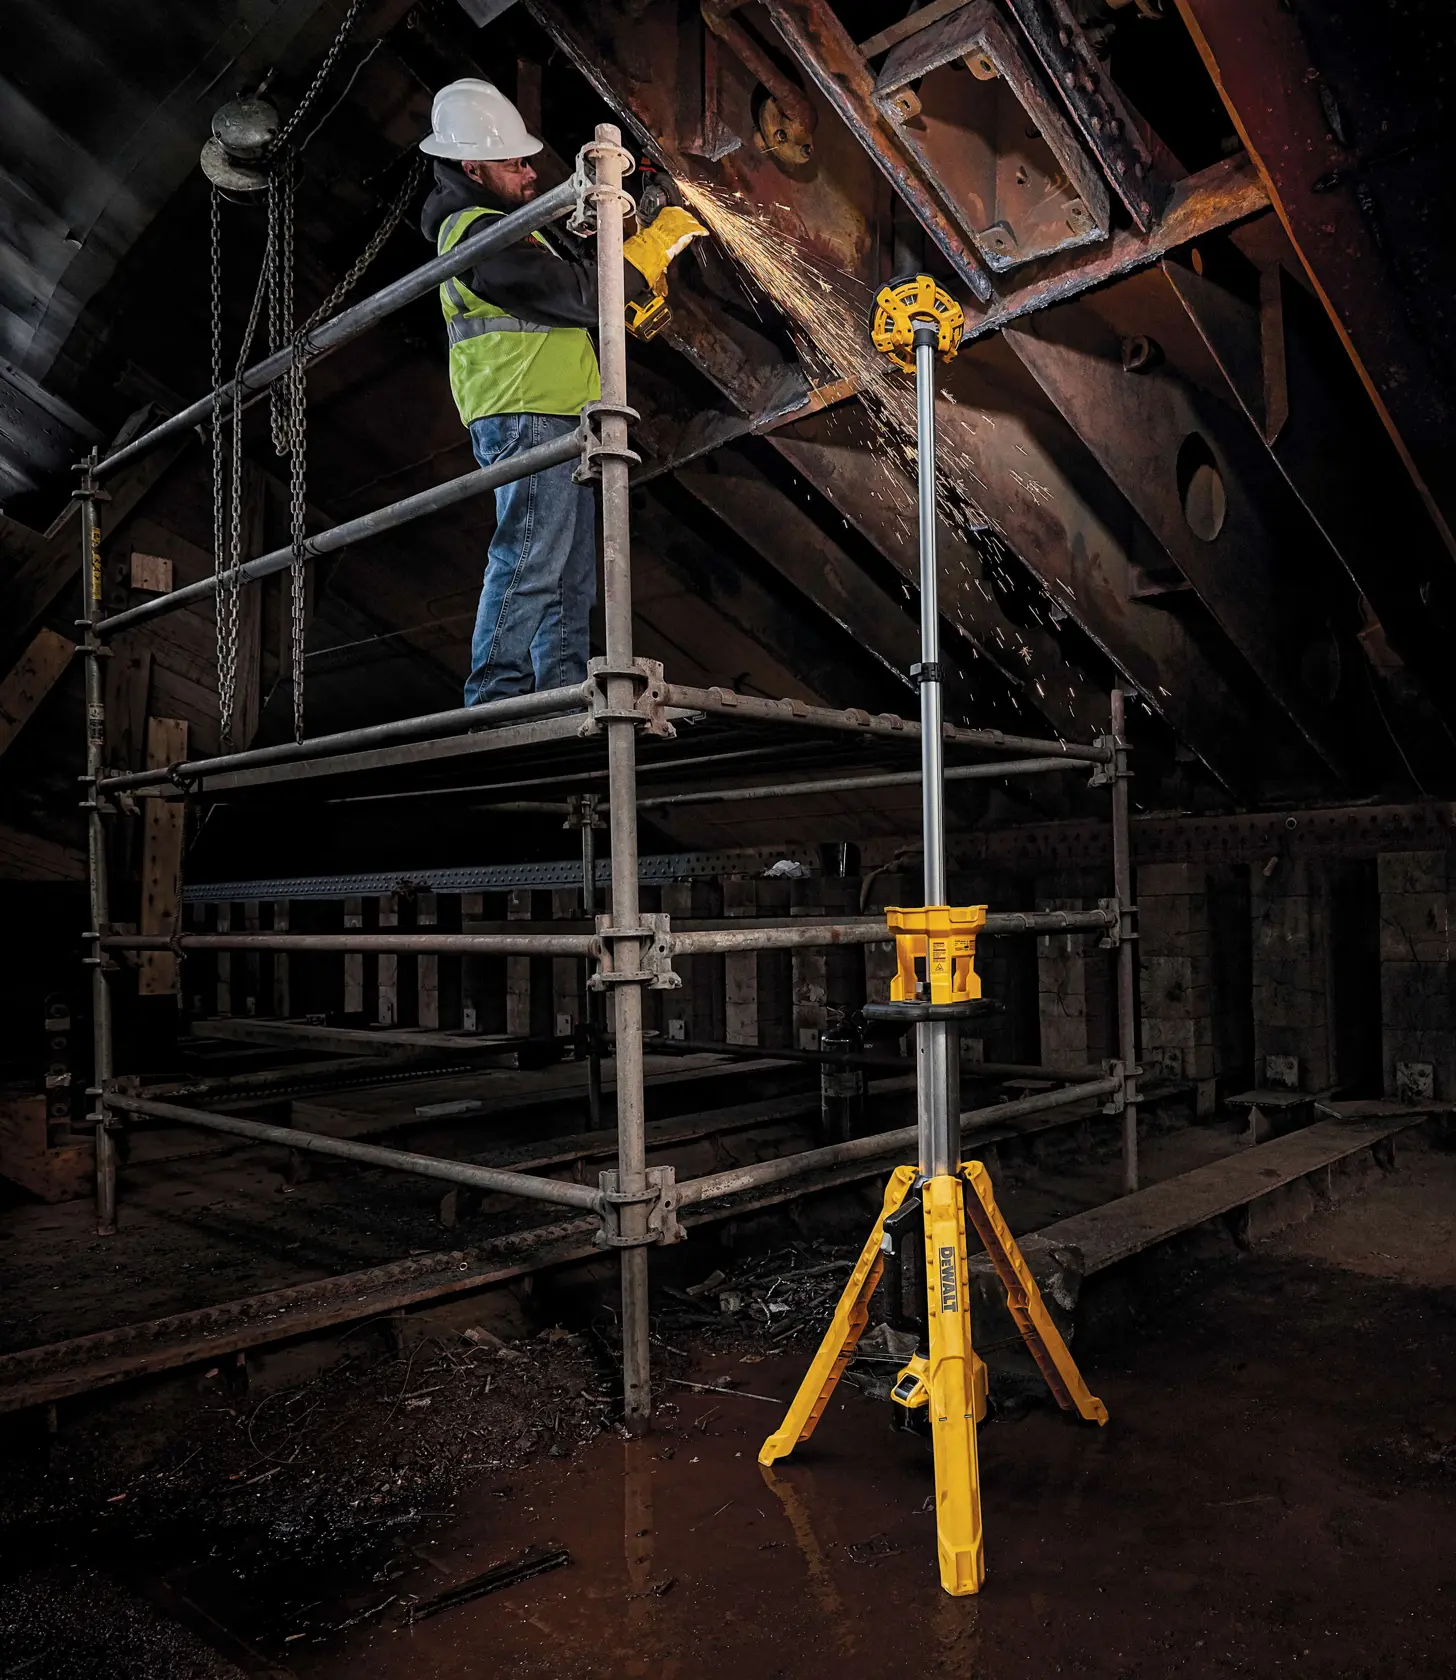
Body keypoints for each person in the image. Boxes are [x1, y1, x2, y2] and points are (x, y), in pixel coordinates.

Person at [419, 79, 707, 705]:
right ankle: (494, 701)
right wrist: (651, 248)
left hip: (563, 416)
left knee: (570, 576)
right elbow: (577, 294)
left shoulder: (507, 229)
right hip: (526, 413)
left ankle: (559, 693)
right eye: (513, 162)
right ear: (473, 166)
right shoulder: (475, 232)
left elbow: (572, 289)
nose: (528, 171)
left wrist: (624, 275)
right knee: (530, 561)